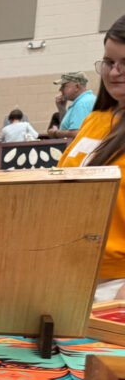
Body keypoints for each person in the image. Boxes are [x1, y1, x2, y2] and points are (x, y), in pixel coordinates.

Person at [60, 15, 125, 302]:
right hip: (73, 271)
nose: (114, 73)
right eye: (109, 63)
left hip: (117, 284)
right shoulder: (96, 119)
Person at [49, 72, 96, 140]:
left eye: (64, 86)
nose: (60, 89)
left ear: (77, 87)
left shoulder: (82, 104)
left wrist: (55, 133)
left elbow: (77, 133)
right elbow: (67, 128)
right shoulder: (86, 100)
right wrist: (62, 108)